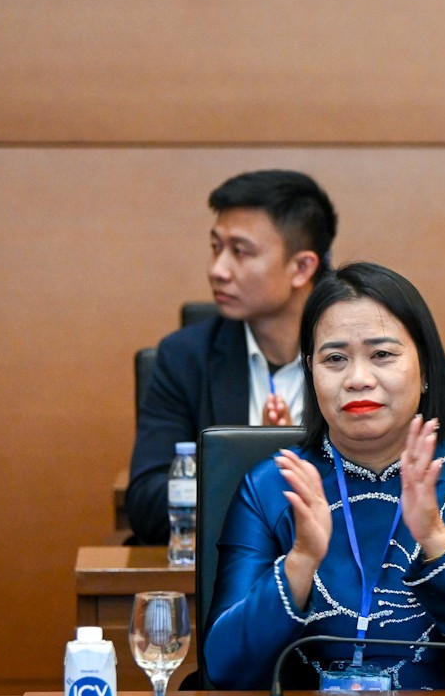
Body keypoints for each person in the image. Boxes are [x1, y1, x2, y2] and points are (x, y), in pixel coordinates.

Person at [207, 263, 445, 690]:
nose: (358, 379)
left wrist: (436, 538)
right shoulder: (275, 487)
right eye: (335, 359)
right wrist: (299, 563)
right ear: (310, 373)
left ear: (424, 369)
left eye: (382, 355)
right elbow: (222, 670)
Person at [126, 170, 338, 543]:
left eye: (240, 252)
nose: (217, 270)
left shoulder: (360, 358)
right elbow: (147, 503)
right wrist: (254, 470)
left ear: (302, 267)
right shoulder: (185, 357)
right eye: (215, 247)